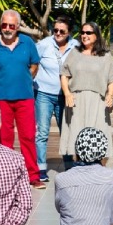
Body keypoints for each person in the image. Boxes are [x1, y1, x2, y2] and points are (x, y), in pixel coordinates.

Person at [0, 9, 43, 188]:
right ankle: (8, 174)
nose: (7, 29)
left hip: (24, 97)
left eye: (11, 25)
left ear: (17, 27)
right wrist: (1, 83)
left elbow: (34, 66)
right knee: (5, 138)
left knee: (28, 136)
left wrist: (24, 80)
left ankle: (32, 175)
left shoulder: (28, 43)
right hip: (1, 98)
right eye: (4, 25)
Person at [59, 21, 113, 166]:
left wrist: (110, 96)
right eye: (82, 33)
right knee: (78, 136)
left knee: (99, 136)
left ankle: (100, 170)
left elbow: (112, 80)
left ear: (96, 35)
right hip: (77, 101)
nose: (84, 35)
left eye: (88, 33)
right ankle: (80, 168)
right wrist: (67, 94)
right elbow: (64, 74)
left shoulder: (106, 56)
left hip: (98, 102)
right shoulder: (74, 53)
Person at [34, 16, 78, 182]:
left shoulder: (76, 46)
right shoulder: (44, 44)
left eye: (62, 31)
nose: (58, 33)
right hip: (44, 93)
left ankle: (69, 164)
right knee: (42, 132)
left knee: (66, 131)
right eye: (55, 30)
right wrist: (33, 80)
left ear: (69, 32)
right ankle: (41, 168)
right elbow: (31, 62)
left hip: (65, 95)